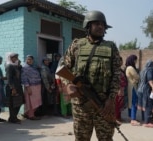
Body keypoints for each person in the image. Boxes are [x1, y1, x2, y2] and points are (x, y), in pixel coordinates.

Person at [63, 10, 121, 141]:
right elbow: (64, 67)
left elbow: (116, 75)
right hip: (81, 105)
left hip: (103, 104)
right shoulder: (77, 44)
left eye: (103, 24)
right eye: (96, 24)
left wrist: (111, 100)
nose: (100, 27)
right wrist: (68, 85)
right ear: (88, 26)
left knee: (106, 138)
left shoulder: (111, 47)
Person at [137, 60, 153, 128]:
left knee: (143, 105)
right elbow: (150, 79)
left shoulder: (142, 71)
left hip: (140, 89)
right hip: (146, 90)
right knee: (148, 105)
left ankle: (144, 119)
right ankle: (147, 122)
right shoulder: (149, 70)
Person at [5, 53, 24, 124]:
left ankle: (13, 117)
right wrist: (12, 88)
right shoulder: (9, 66)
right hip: (12, 87)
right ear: (10, 58)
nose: (16, 58)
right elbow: (9, 78)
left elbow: (19, 71)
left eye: (16, 57)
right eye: (14, 57)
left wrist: (19, 64)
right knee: (13, 103)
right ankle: (13, 118)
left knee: (18, 102)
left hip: (18, 86)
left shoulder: (15, 66)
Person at [21, 55, 42, 120]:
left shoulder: (33, 67)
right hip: (30, 87)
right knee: (31, 102)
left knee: (36, 101)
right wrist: (28, 87)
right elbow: (24, 78)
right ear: (26, 60)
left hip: (37, 86)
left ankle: (27, 114)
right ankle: (31, 115)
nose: (29, 61)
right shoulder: (24, 68)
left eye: (31, 59)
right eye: (28, 59)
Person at [124, 54, 140, 126]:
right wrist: (137, 80)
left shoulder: (127, 67)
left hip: (130, 86)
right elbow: (137, 77)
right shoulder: (131, 68)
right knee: (134, 103)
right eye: (135, 60)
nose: (136, 61)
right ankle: (133, 119)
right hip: (133, 86)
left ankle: (131, 117)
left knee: (131, 102)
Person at [115, 57, 127, 125]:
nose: (121, 62)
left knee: (120, 104)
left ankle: (119, 117)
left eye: (121, 61)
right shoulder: (116, 70)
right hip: (118, 89)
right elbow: (117, 81)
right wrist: (119, 89)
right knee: (116, 104)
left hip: (122, 89)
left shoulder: (121, 70)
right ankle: (115, 118)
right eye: (120, 61)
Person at [0, 55, 7, 123]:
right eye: (0, 60)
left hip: (0, 87)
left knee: (0, 103)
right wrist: (1, 78)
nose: (1, 62)